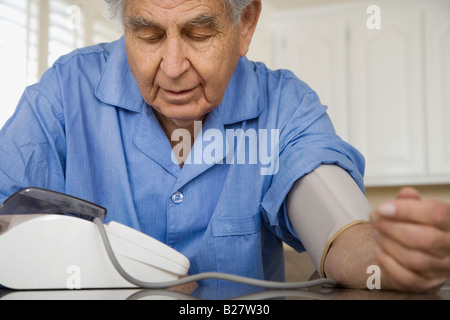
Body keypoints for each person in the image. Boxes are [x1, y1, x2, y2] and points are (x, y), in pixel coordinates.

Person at [0, 0, 449, 295]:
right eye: (149, 36)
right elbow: (6, 223)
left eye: (198, 33)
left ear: (246, 23)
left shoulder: (285, 106)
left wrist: (384, 256)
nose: (173, 67)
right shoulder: (64, 93)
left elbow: (335, 220)